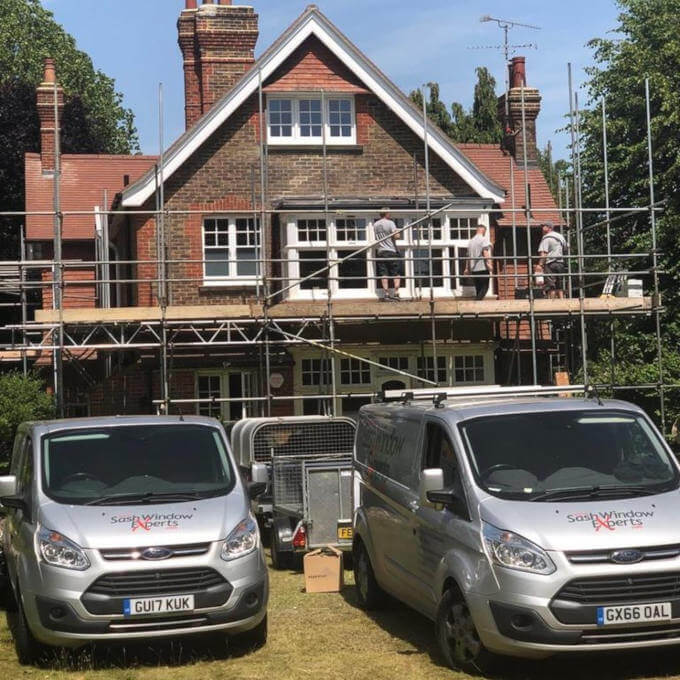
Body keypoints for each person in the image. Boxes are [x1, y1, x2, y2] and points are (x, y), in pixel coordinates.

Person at [373, 208, 402, 301]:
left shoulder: (375, 224)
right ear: (387, 214)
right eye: (390, 213)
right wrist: (397, 231)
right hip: (391, 251)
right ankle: (396, 293)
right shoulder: (390, 223)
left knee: (384, 273)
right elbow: (397, 236)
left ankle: (386, 294)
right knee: (396, 272)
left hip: (381, 251)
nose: (391, 214)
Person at [537, 221, 567, 299]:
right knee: (559, 283)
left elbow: (544, 253)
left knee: (551, 284)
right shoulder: (560, 236)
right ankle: (562, 301)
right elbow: (565, 249)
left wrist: (540, 265)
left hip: (550, 263)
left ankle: (552, 303)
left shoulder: (546, 238)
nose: (542, 228)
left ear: (549, 228)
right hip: (560, 262)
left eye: (544, 226)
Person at [464, 224, 493, 300]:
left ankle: (477, 309)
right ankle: (475, 303)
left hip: (474, 269)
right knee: (485, 288)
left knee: (478, 289)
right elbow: (485, 252)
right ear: (484, 231)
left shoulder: (470, 242)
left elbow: (468, 256)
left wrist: (467, 268)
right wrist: (489, 264)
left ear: (477, 230)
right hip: (482, 268)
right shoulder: (483, 239)